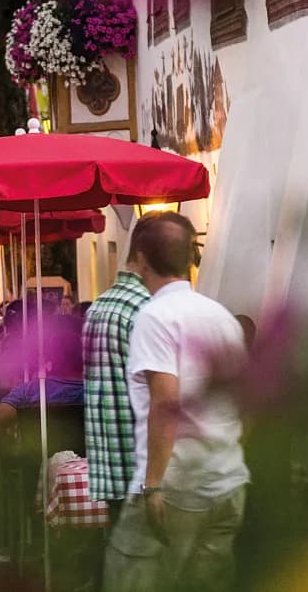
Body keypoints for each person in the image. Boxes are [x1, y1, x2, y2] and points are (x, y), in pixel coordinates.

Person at [104, 212, 249, 592]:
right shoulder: (222, 318)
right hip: (226, 482)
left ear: (140, 260)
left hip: (176, 484)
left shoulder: (156, 317)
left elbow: (165, 400)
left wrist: (153, 486)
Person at [82, 256, 153, 534]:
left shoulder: (99, 305)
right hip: (141, 453)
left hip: (110, 453)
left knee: (120, 541)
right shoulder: (143, 307)